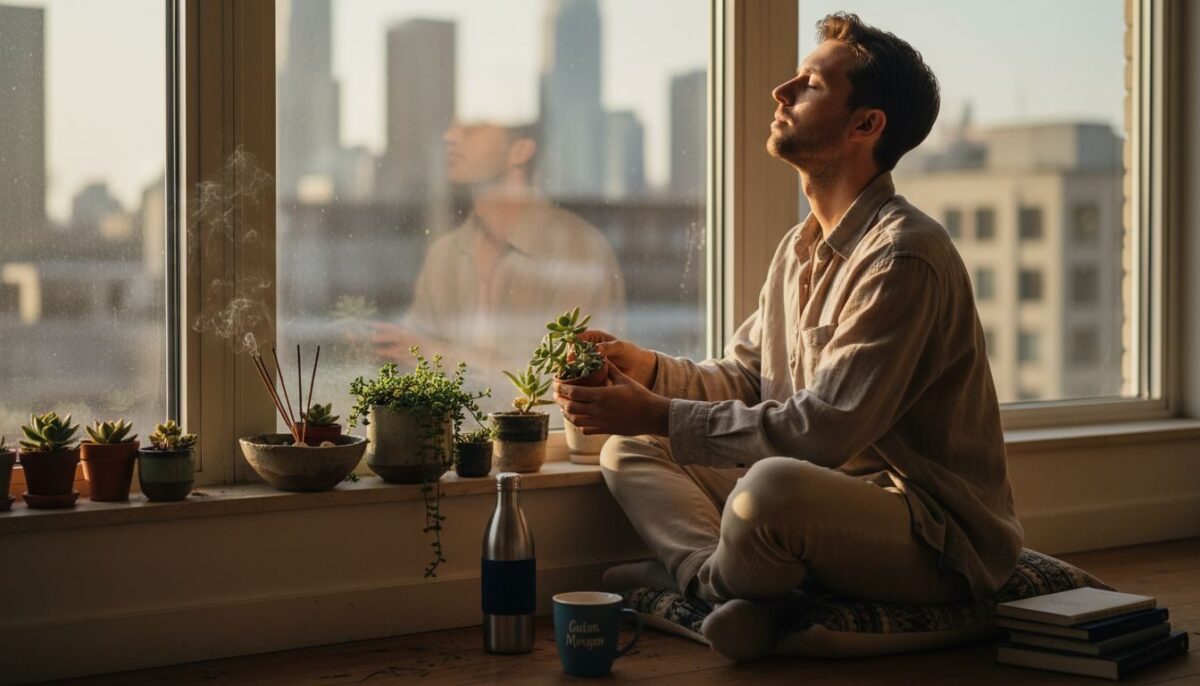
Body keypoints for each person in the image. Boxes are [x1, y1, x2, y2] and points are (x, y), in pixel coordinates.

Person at [553, 13, 1023, 662]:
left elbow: (824, 432)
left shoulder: (903, 255)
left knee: (768, 490)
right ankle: (730, 593)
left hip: (931, 535)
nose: (781, 91)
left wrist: (662, 411)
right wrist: (649, 373)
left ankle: (696, 588)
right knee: (631, 447)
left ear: (866, 125)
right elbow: (749, 377)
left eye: (809, 84)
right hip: (827, 507)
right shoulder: (797, 251)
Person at [373, 120, 625, 407]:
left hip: (546, 447)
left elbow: (572, 388)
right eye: (452, 127)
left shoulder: (579, 250)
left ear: (520, 150)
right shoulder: (444, 254)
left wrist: (434, 354)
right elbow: (414, 355)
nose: (450, 136)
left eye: (472, 129)